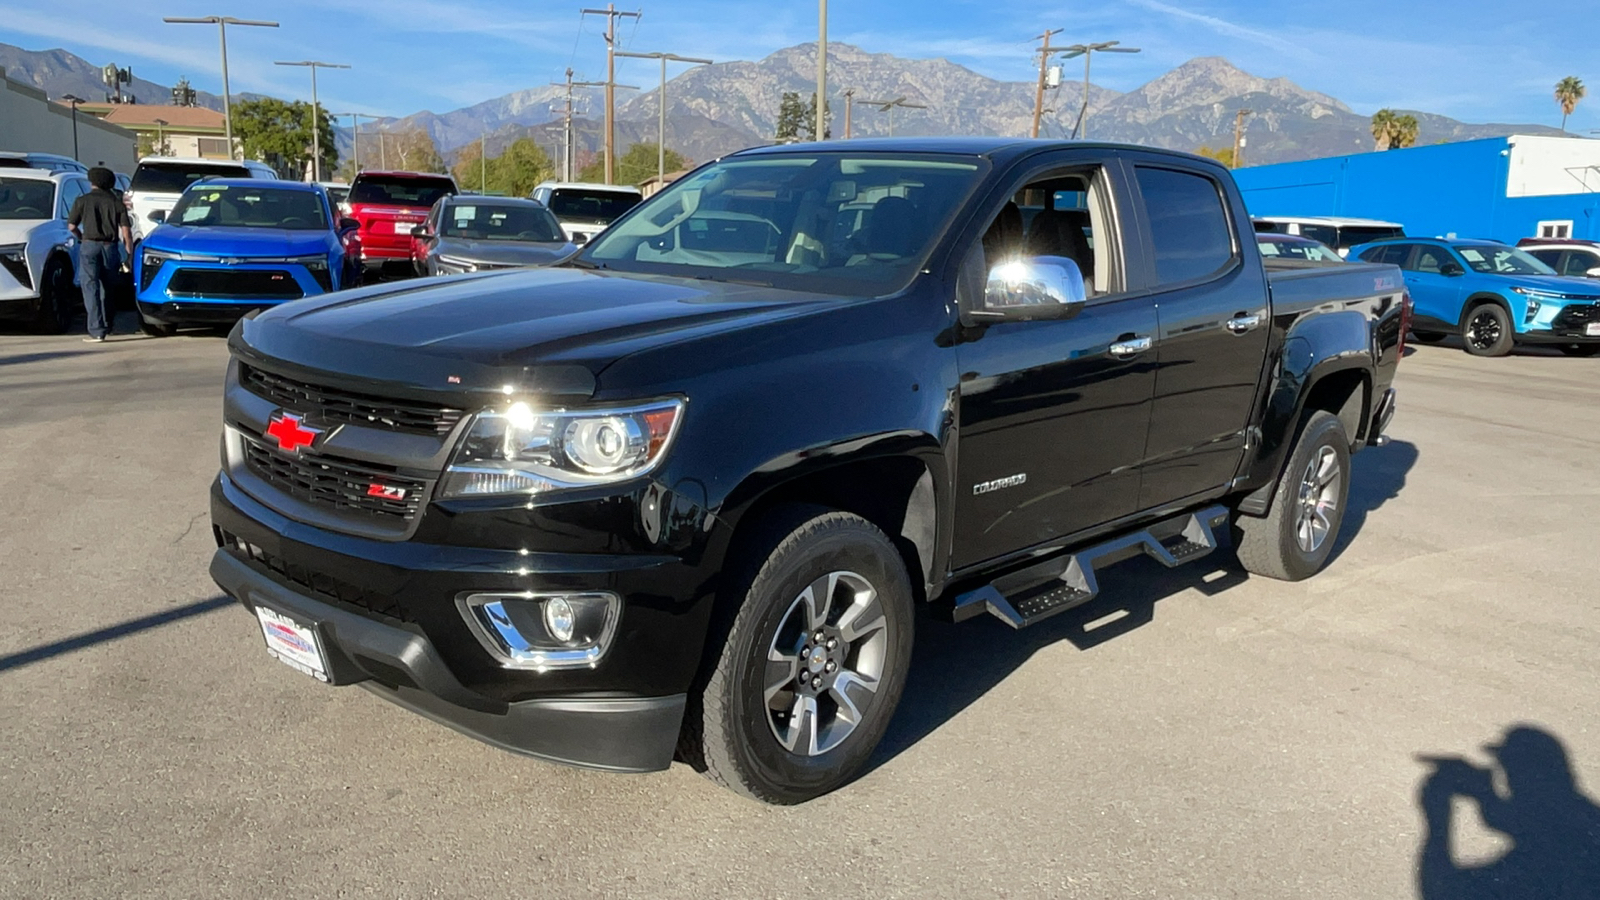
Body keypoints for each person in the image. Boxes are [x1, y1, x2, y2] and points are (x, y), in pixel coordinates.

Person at [67, 166, 132, 343]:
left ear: (92, 182)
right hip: (110, 247)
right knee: (108, 287)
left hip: (89, 245)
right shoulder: (116, 202)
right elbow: (126, 232)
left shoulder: (82, 201)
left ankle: (96, 330)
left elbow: (72, 227)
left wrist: (82, 238)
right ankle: (108, 324)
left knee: (90, 287)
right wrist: (129, 254)